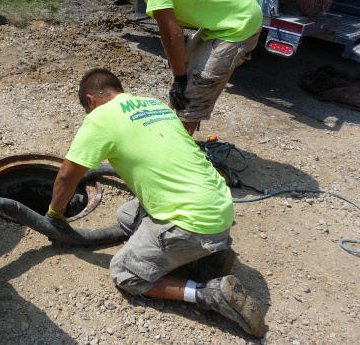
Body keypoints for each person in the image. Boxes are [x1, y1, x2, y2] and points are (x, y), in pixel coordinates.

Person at [46, 68, 265, 337]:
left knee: (125, 273)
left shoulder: (100, 118)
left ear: (90, 99)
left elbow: (67, 177)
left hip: (193, 224)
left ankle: (209, 294)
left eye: (87, 109)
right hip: (218, 206)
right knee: (127, 215)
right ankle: (207, 259)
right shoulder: (154, 104)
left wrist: (54, 213)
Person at [95, 0, 263, 136]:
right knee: (184, 68)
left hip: (239, 23)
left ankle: (178, 150)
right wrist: (179, 75)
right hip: (227, 14)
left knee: (196, 86)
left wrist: (180, 78)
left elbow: (171, 33)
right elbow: (175, 22)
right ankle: (167, 132)